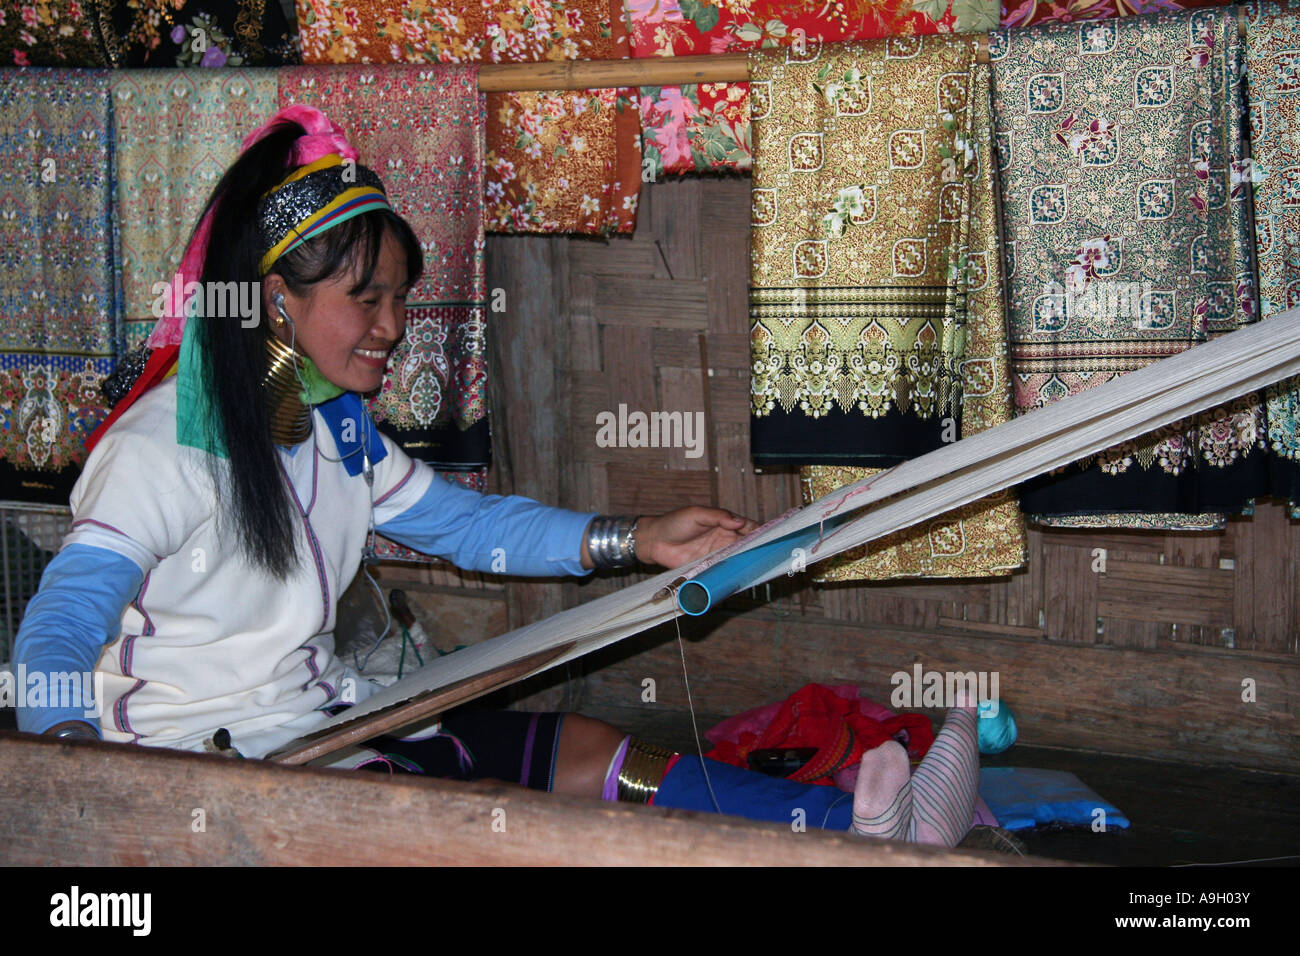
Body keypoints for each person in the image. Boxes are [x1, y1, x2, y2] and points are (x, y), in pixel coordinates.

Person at [13, 105, 983, 846]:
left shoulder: (332, 425)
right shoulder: (163, 447)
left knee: (585, 750)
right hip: (197, 777)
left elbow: (467, 526)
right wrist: (69, 771)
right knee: (476, 819)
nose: (393, 327)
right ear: (275, 301)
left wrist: (638, 538)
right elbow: (58, 627)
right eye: (367, 299)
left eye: (399, 298)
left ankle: (862, 827)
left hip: (318, 729)